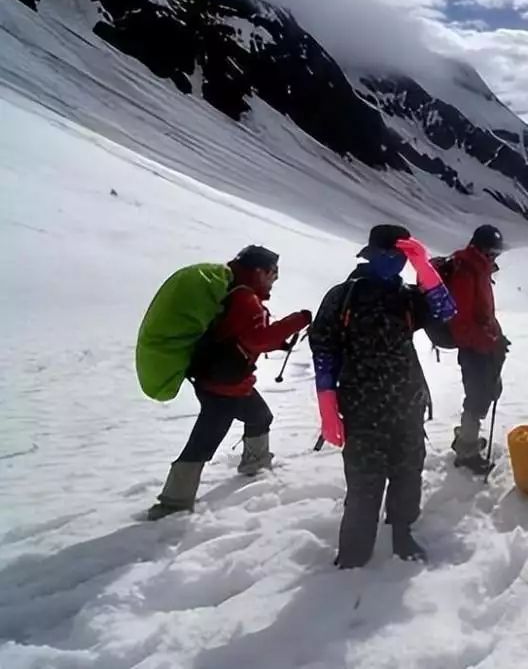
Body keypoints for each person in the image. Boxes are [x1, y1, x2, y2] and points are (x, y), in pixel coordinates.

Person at [147, 245, 311, 521]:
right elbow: (257, 338)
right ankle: (173, 504)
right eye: (273, 273)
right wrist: (298, 320)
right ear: (259, 271)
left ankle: (255, 465)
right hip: (224, 386)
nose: (275, 279)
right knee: (204, 441)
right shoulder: (246, 298)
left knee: (260, 416)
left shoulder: (232, 290)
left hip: (223, 379)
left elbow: (238, 335)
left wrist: (275, 340)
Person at [309, 224, 436, 566]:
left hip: (407, 402)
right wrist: (327, 401)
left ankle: (402, 533)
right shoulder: (344, 296)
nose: (394, 263)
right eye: (387, 255)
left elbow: (446, 312)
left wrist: (424, 267)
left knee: (408, 472)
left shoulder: (408, 297)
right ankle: (353, 550)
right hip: (362, 406)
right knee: (365, 480)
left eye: (401, 257)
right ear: (371, 255)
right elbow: (323, 347)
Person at [444, 224, 508, 475]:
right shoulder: (466, 272)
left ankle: (465, 438)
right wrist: (490, 341)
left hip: (482, 343)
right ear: (480, 248)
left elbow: (483, 313)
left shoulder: (479, 269)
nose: (495, 257)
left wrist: (497, 335)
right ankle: (466, 451)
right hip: (473, 347)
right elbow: (462, 323)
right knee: (478, 397)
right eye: (492, 252)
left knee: (488, 391)